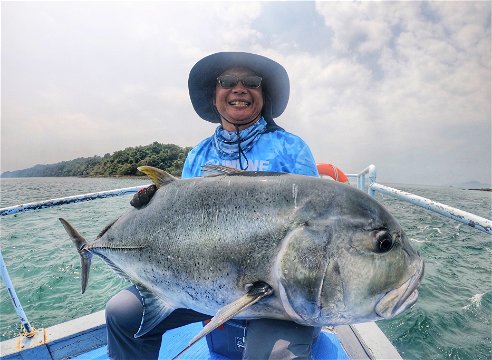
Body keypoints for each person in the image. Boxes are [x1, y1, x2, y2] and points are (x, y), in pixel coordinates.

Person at [106, 52, 320, 359]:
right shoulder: (199, 155)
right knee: (121, 313)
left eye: (252, 82)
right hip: (202, 284)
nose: (239, 88)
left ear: (264, 95)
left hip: (275, 293)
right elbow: (181, 226)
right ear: (214, 95)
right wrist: (153, 207)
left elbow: (310, 228)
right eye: (228, 82)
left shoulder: (291, 148)